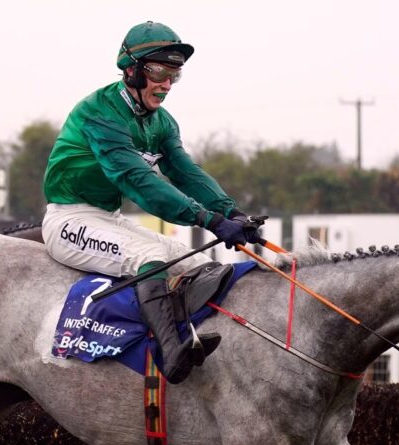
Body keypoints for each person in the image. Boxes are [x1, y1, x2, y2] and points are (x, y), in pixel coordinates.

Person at [41, 21, 262, 384]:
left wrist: (231, 211)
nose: (166, 84)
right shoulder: (100, 112)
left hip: (105, 218)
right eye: (158, 71)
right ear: (131, 70)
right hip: (67, 221)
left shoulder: (161, 122)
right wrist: (207, 220)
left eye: (174, 74)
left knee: (196, 261)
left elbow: (186, 172)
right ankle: (169, 354)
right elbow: (138, 181)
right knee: (151, 259)